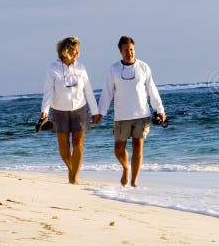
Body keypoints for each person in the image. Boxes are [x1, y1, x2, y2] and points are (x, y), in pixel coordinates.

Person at [97, 36, 166, 187]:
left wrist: (160, 109)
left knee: (138, 146)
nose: (130, 52)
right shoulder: (114, 69)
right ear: (120, 51)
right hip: (121, 116)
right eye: (126, 50)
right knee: (118, 149)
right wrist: (101, 112)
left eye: (132, 49)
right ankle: (125, 168)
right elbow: (107, 92)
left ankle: (134, 181)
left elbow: (152, 89)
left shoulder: (144, 67)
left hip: (142, 114)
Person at [40, 36, 102, 184]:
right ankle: (71, 169)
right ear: (65, 51)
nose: (77, 54)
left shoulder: (81, 67)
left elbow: (88, 89)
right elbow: (48, 91)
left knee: (78, 143)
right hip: (59, 110)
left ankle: (74, 178)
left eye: (78, 51)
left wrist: (95, 111)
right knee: (64, 146)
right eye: (75, 51)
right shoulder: (53, 68)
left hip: (79, 109)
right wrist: (45, 111)